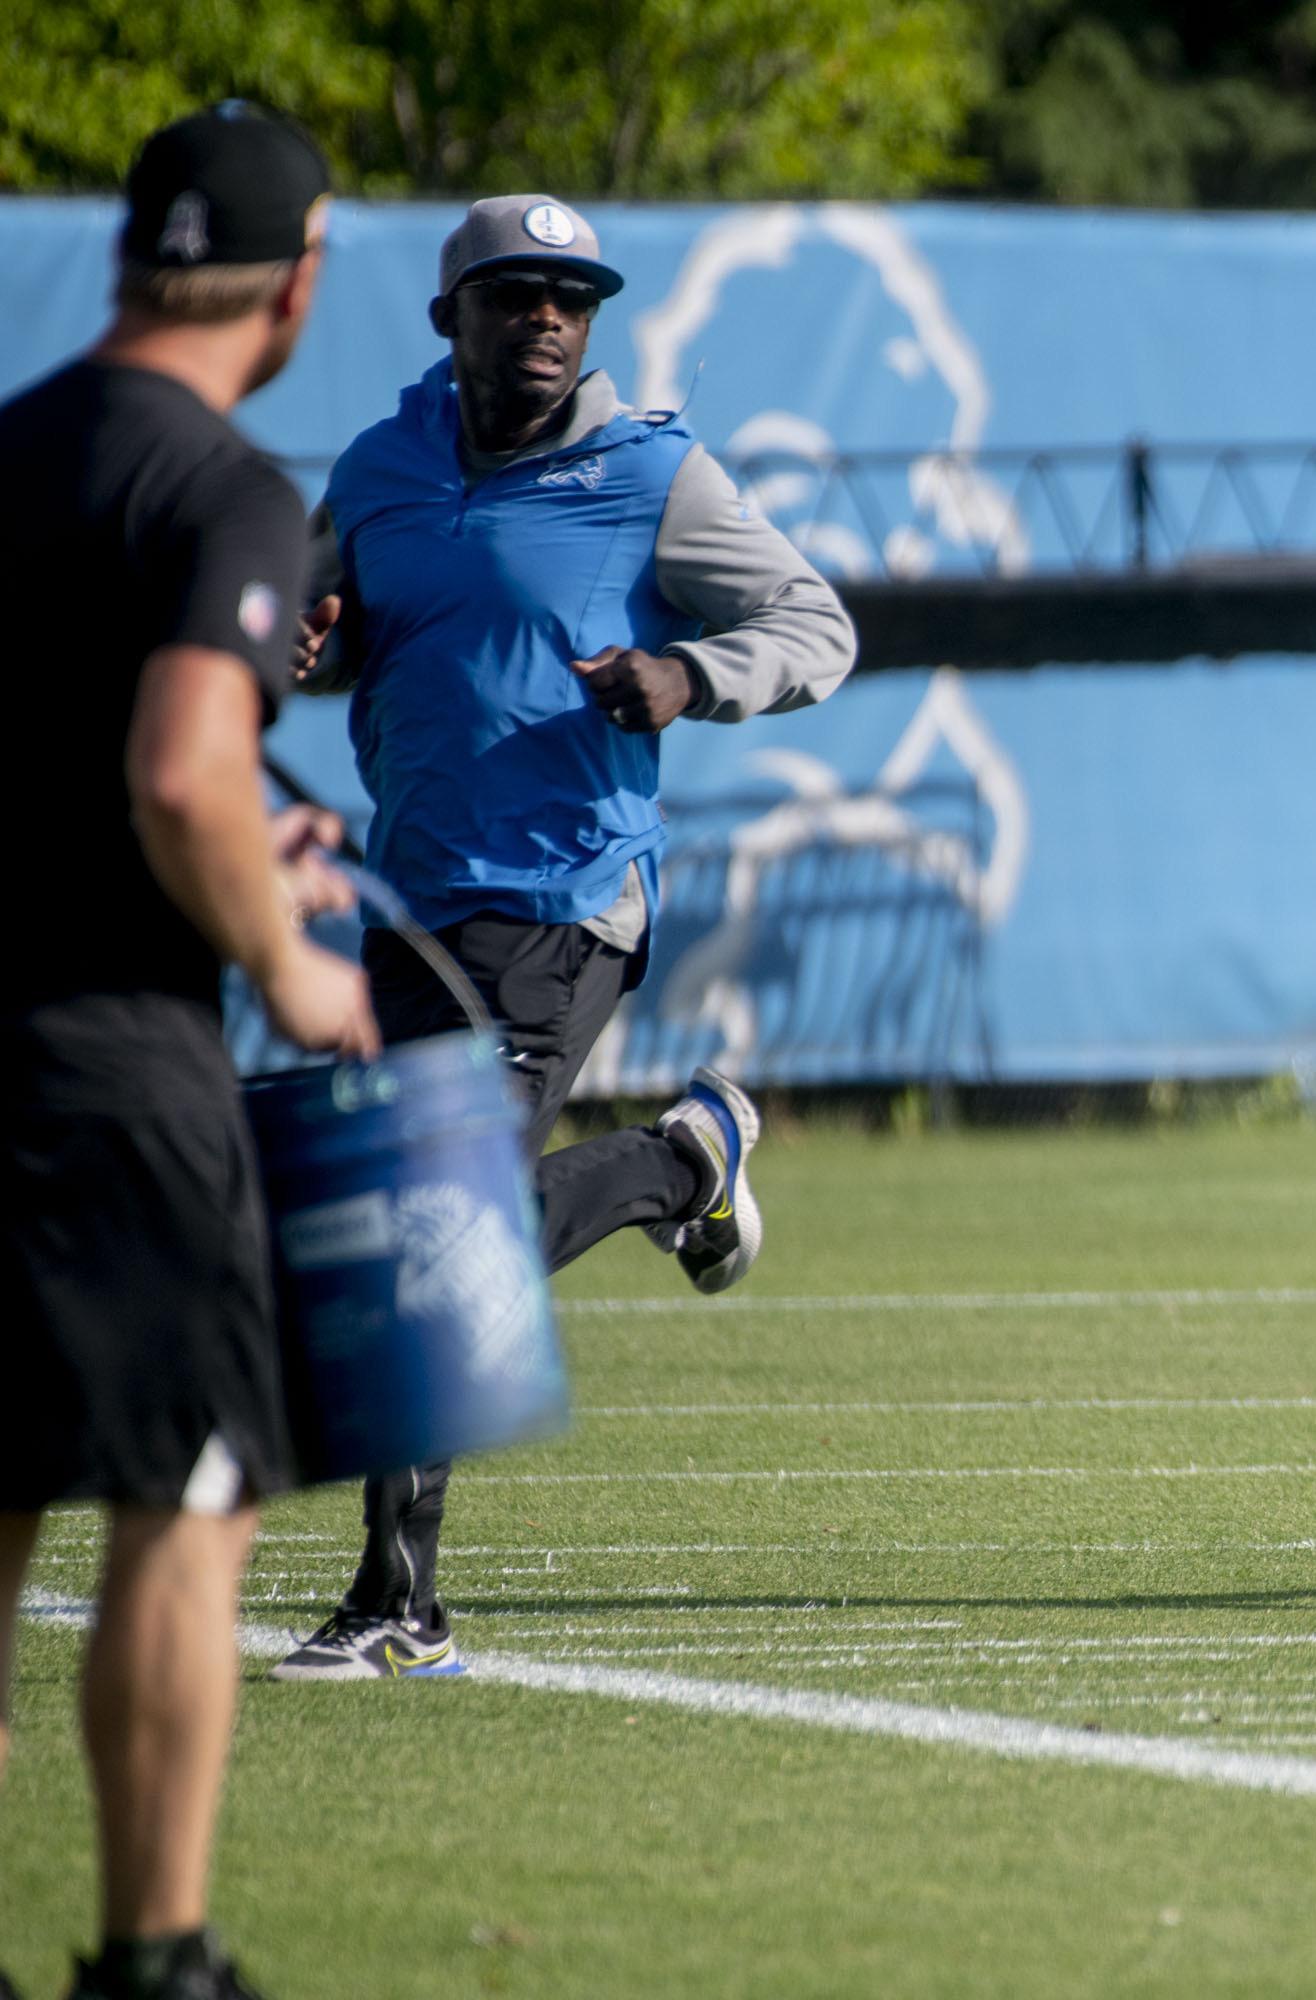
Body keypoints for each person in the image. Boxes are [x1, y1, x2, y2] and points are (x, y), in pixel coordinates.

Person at [266, 193, 857, 1682]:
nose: (545, 319)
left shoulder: (651, 470)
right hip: (410, 897)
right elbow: (328, 622)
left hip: (565, 896)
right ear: (451, 320)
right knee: (414, 1235)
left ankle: (401, 1605)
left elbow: (816, 626)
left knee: (445, 1230)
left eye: (570, 299)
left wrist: (689, 672)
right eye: (515, 295)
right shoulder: (384, 470)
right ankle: (685, 1161)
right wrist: (301, 635)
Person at [0, 104, 378, 2000]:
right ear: (300, 277)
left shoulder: (9, 445)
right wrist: (292, 968)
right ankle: (155, 1959)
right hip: (110, 1072)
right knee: (184, 1494)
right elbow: (174, 774)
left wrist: (241, 825)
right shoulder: (233, 486)